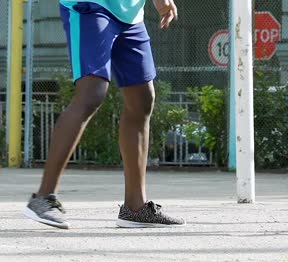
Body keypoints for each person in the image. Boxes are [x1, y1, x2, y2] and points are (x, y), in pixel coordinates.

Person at [24, 0, 186, 229]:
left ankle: (135, 207)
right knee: (92, 93)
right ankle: (42, 197)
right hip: (92, 7)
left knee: (142, 100)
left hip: (130, 15)